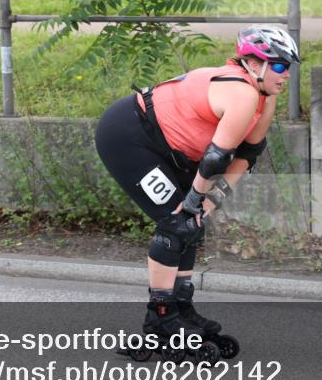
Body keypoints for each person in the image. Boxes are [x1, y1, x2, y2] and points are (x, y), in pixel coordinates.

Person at [95, 25, 300, 353]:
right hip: (128, 135)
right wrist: (192, 203)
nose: (285, 74)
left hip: (171, 147)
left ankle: (179, 306)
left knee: (192, 225)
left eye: (288, 67)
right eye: (278, 65)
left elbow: (247, 155)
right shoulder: (243, 93)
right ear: (254, 63)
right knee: (176, 222)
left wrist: (211, 201)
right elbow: (216, 158)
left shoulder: (264, 97)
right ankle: (160, 318)